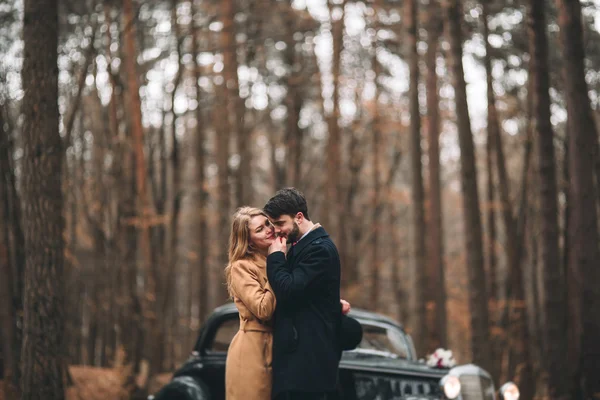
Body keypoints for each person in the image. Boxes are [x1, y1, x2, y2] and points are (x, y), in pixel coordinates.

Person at [265, 188, 352, 400]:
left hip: (308, 366)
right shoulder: (301, 246)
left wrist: (276, 257)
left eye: (280, 223)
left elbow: (288, 290)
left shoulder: (319, 249)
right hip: (297, 364)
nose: (277, 231)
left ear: (299, 217)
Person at [224, 207, 277, 400]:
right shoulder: (241, 267)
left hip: (278, 346)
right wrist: (276, 266)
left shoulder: (279, 257)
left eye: (267, 224)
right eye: (259, 230)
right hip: (251, 350)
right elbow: (263, 309)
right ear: (249, 241)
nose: (268, 230)